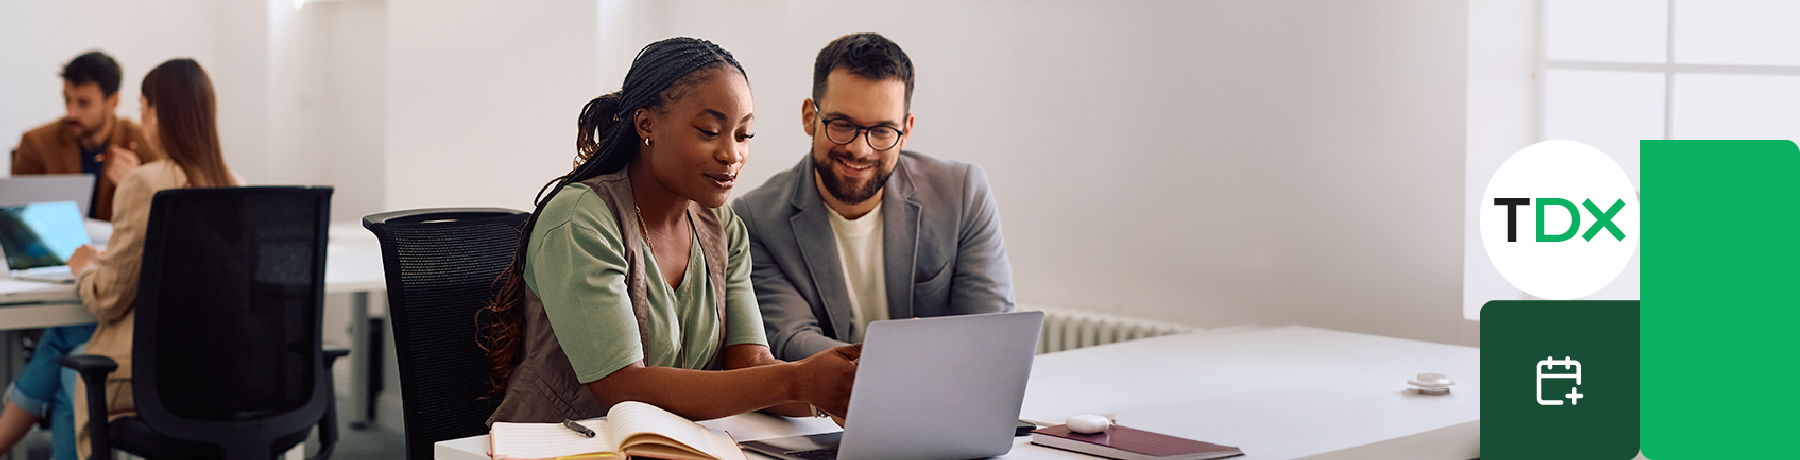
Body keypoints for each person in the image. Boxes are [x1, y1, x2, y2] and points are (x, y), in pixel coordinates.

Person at [483, 37, 859, 425]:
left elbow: (750, 363)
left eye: (743, 135)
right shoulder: (582, 220)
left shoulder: (724, 229)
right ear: (647, 124)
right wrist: (796, 381)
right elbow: (620, 386)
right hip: (564, 444)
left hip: (671, 444)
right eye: (710, 131)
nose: (732, 154)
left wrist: (841, 390)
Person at [733, 33, 1015, 362]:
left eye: (882, 130)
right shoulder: (755, 219)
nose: (860, 149)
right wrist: (892, 360)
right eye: (841, 124)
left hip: (946, 399)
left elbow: (992, 334)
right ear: (810, 116)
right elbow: (791, 339)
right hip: (824, 409)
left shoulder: (963, 194)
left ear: (906, 130)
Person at [66, 58, 242, 460]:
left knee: (72, 368)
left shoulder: (144, 183)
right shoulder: (235, 182)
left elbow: (109, 298)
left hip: (157, 381)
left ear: (155, 112)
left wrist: (86, 270)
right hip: (229, 378)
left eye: (142, 107)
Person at [11, 51, 162, 221]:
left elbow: (161, 214)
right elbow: (16, 216)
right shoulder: (36, 142)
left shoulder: (144, 140)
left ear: (113, 102)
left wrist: (136, 183)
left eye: (83, 103)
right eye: (67, 99)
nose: (71, 112)